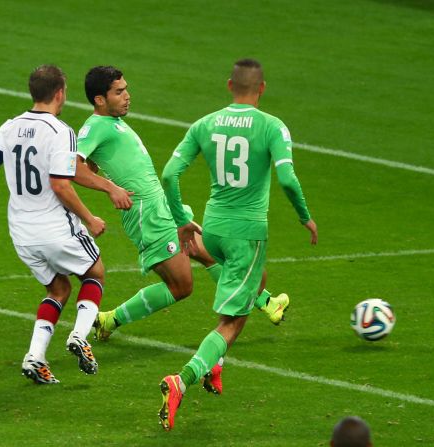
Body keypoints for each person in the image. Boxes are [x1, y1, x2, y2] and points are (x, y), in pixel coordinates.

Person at [158, 58, 318, 430]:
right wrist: (304, 216)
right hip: (247, 233)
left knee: (254, 283)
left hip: (212, 228)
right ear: (262, 88)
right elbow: (289, 181)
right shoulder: (272, 126)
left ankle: (215, 365)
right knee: (233, 321)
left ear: (230, 85)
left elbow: (169, 174)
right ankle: (182, 380)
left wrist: (183, 223)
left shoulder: (204, 123)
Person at [75, 66, 287, 348]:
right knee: (181, 286)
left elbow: (89, 163)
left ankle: (266, 302)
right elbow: (72, 168)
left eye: (126, 88)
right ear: (100, 99)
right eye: (119, 92)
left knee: (206, 250)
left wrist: (99, 171)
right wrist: (110, 187)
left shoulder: (112, 122)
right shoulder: (94, 126)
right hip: (145, 214)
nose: (127, 96)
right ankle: (109, 320)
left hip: (161, 205)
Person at [0, 64, 132, 384]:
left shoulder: (9, 127)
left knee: (58, 289)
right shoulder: (61, 132)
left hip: (21, 232)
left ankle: (35, 357)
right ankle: (80, 336)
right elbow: (61, 185)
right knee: (95, 272)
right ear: (60, 93)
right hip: (55, 227)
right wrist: (89, 217)